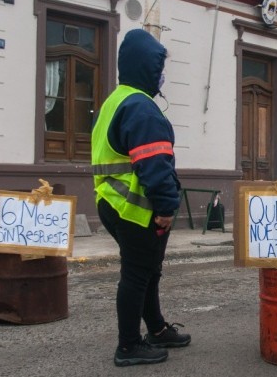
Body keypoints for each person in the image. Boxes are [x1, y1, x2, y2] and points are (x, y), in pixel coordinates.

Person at [92, 29, 191, 367]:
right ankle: (129, 345)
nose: (162, 74)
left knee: (147, 271)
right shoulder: (142, 107)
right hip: (135, 208)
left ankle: (157, 329)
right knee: (137, 274)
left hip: (111, 202)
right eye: (159, 66)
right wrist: (165, 208)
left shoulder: (116, 100)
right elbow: (154, 163)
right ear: (146, 67)